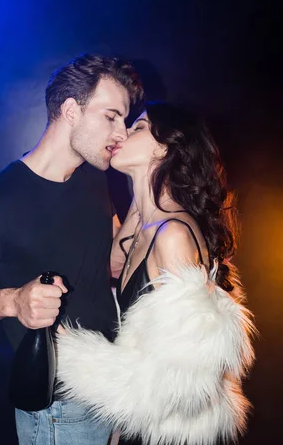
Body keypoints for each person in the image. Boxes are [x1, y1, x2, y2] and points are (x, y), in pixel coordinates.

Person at [0, 53, 144, 445]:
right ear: (71, 110)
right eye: (112, 116)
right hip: (59, 407)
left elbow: (111, 261)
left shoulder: (95, 179)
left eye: (125, 120)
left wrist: (148, 196)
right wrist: (12, 301)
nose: (122, 132)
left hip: (108, 388)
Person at [57, 102, 256, 445]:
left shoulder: (173, 235)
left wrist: (71, 357)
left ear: (165, 147)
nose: (121, 133)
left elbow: (182, 377)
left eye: (137, 128)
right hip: (142, 430)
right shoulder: (146, 225)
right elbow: (109, 270)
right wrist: (141, 195)